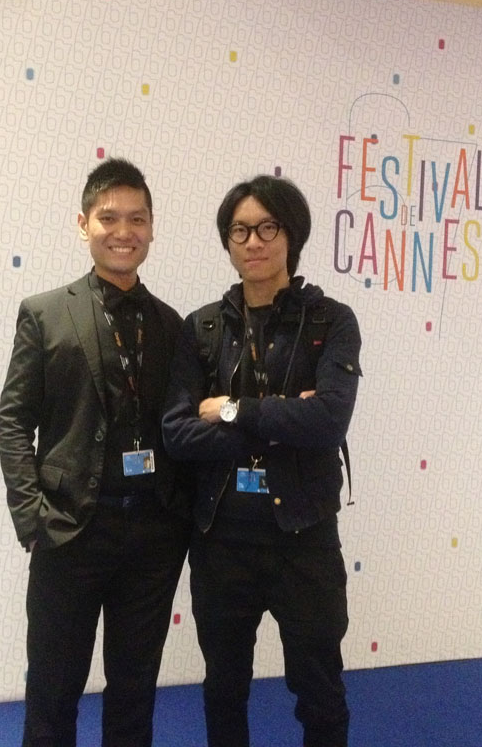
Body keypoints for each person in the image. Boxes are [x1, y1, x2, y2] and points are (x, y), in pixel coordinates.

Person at [162, 174, 362, 747]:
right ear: (227, 241)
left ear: (291, 235)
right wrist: (281, 421)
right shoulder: (202, 328)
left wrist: (231, 410)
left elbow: (328, 421)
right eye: (240, 230)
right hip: (221, 539)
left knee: (319, 689)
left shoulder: (330, 321)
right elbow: (177, 433)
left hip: (304, 537)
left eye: (267, 227)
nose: (253, 241)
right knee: (224, 688)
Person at [0, 158, 191, 747]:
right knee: (53, 691)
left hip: (153, 538)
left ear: (152, 228)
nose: (123, 231)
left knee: (135, 691)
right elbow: (13, 421)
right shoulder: (44, 313)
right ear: (84, 224)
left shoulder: (172, 325)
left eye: (137, 219)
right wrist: (32, 517)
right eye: (109, 217)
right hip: (69, 531)